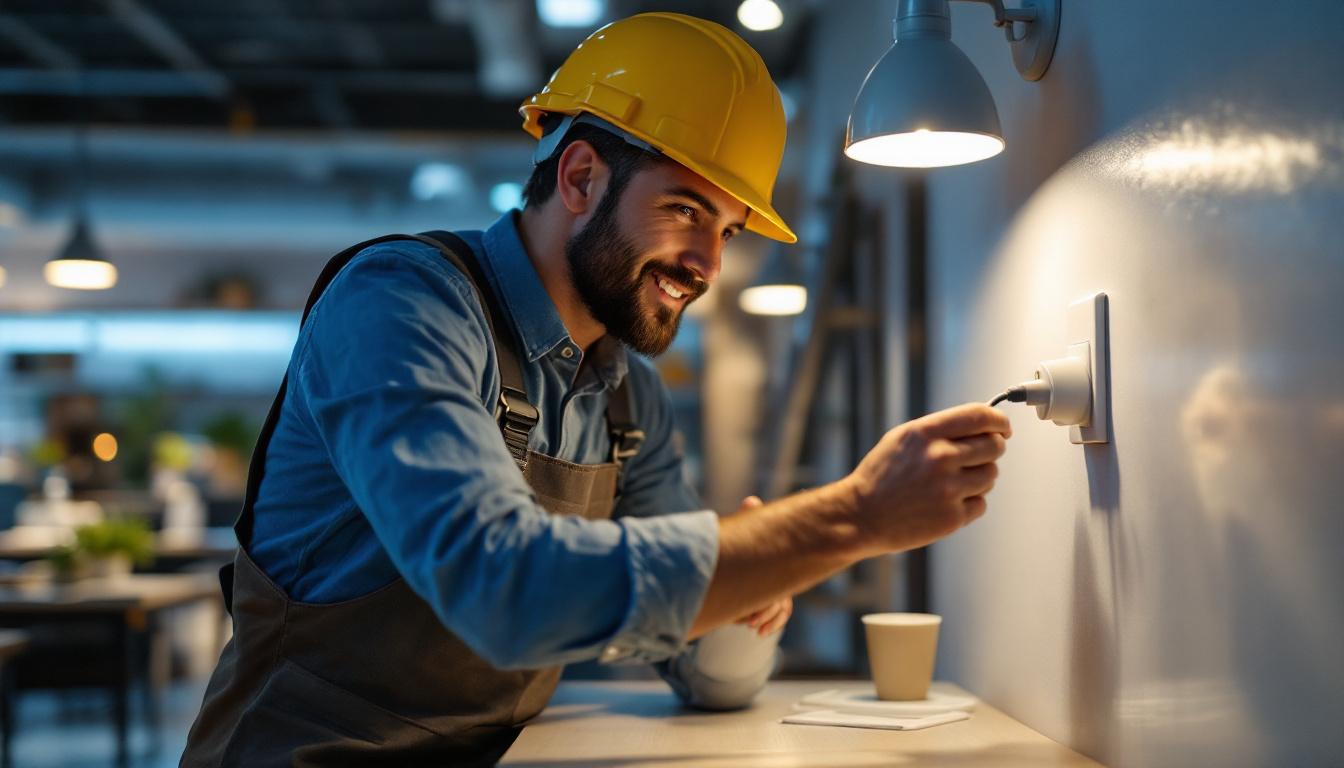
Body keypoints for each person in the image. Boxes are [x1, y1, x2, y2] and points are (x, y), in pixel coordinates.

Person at [180, 12, 1010, 768]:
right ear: (579, 178)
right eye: (686, 210)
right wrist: (848, 518)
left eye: (725, 229)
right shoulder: (400, 303)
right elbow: (500, 585)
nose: (708, 266)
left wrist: (759, 583)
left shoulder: (627, 401)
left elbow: (706, 679)